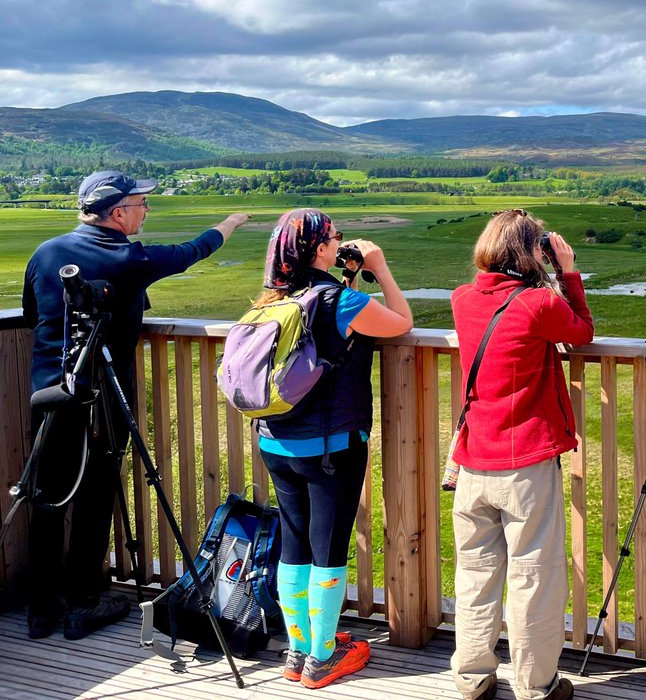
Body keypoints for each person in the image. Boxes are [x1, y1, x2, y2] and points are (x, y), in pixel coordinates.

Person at [21, 170, 249, 640]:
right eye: (142, 204)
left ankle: (40, 608)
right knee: (95, 496)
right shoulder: (128, 257)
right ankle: (84, 598)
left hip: (48, 396)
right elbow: (193, 251)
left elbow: (30, 316)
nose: (146, 211)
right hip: (103, 401)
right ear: (118, 212)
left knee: (45, 499)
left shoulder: (45, 253)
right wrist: (230, 222)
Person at [254, 209, 412, 689]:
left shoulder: (272, 300)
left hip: (276, 442)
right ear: (320, 248)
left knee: (295, 544)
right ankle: (322, 658)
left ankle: (299, 648)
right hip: (329, 447)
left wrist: (347, 277)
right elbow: (401, 323)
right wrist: (379, 268)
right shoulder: (340, 302)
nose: (339, 243)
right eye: (335, 238)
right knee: (328, 549)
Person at [449, 209, 592, 700]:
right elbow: (581, 332)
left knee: (475, 574)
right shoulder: (536, 303)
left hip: (473, 461)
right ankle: (536, 686)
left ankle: (472, 679)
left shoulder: (461, 299)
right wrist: (566, 270)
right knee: (533, 575)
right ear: (530, 252)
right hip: (525, 462)